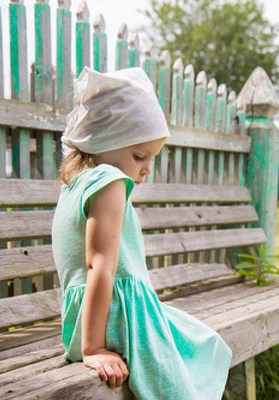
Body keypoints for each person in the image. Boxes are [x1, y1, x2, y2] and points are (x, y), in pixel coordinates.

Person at [51, 66, 232, 399]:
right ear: (103, 142)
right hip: (114, 320)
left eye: (152, 157)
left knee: (198, 338)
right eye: (139, 156)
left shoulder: (75, 185)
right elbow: (99, 266)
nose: (147, 168)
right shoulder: (109, 182)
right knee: (201, 352)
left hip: (88, 317)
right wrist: (93, 348)